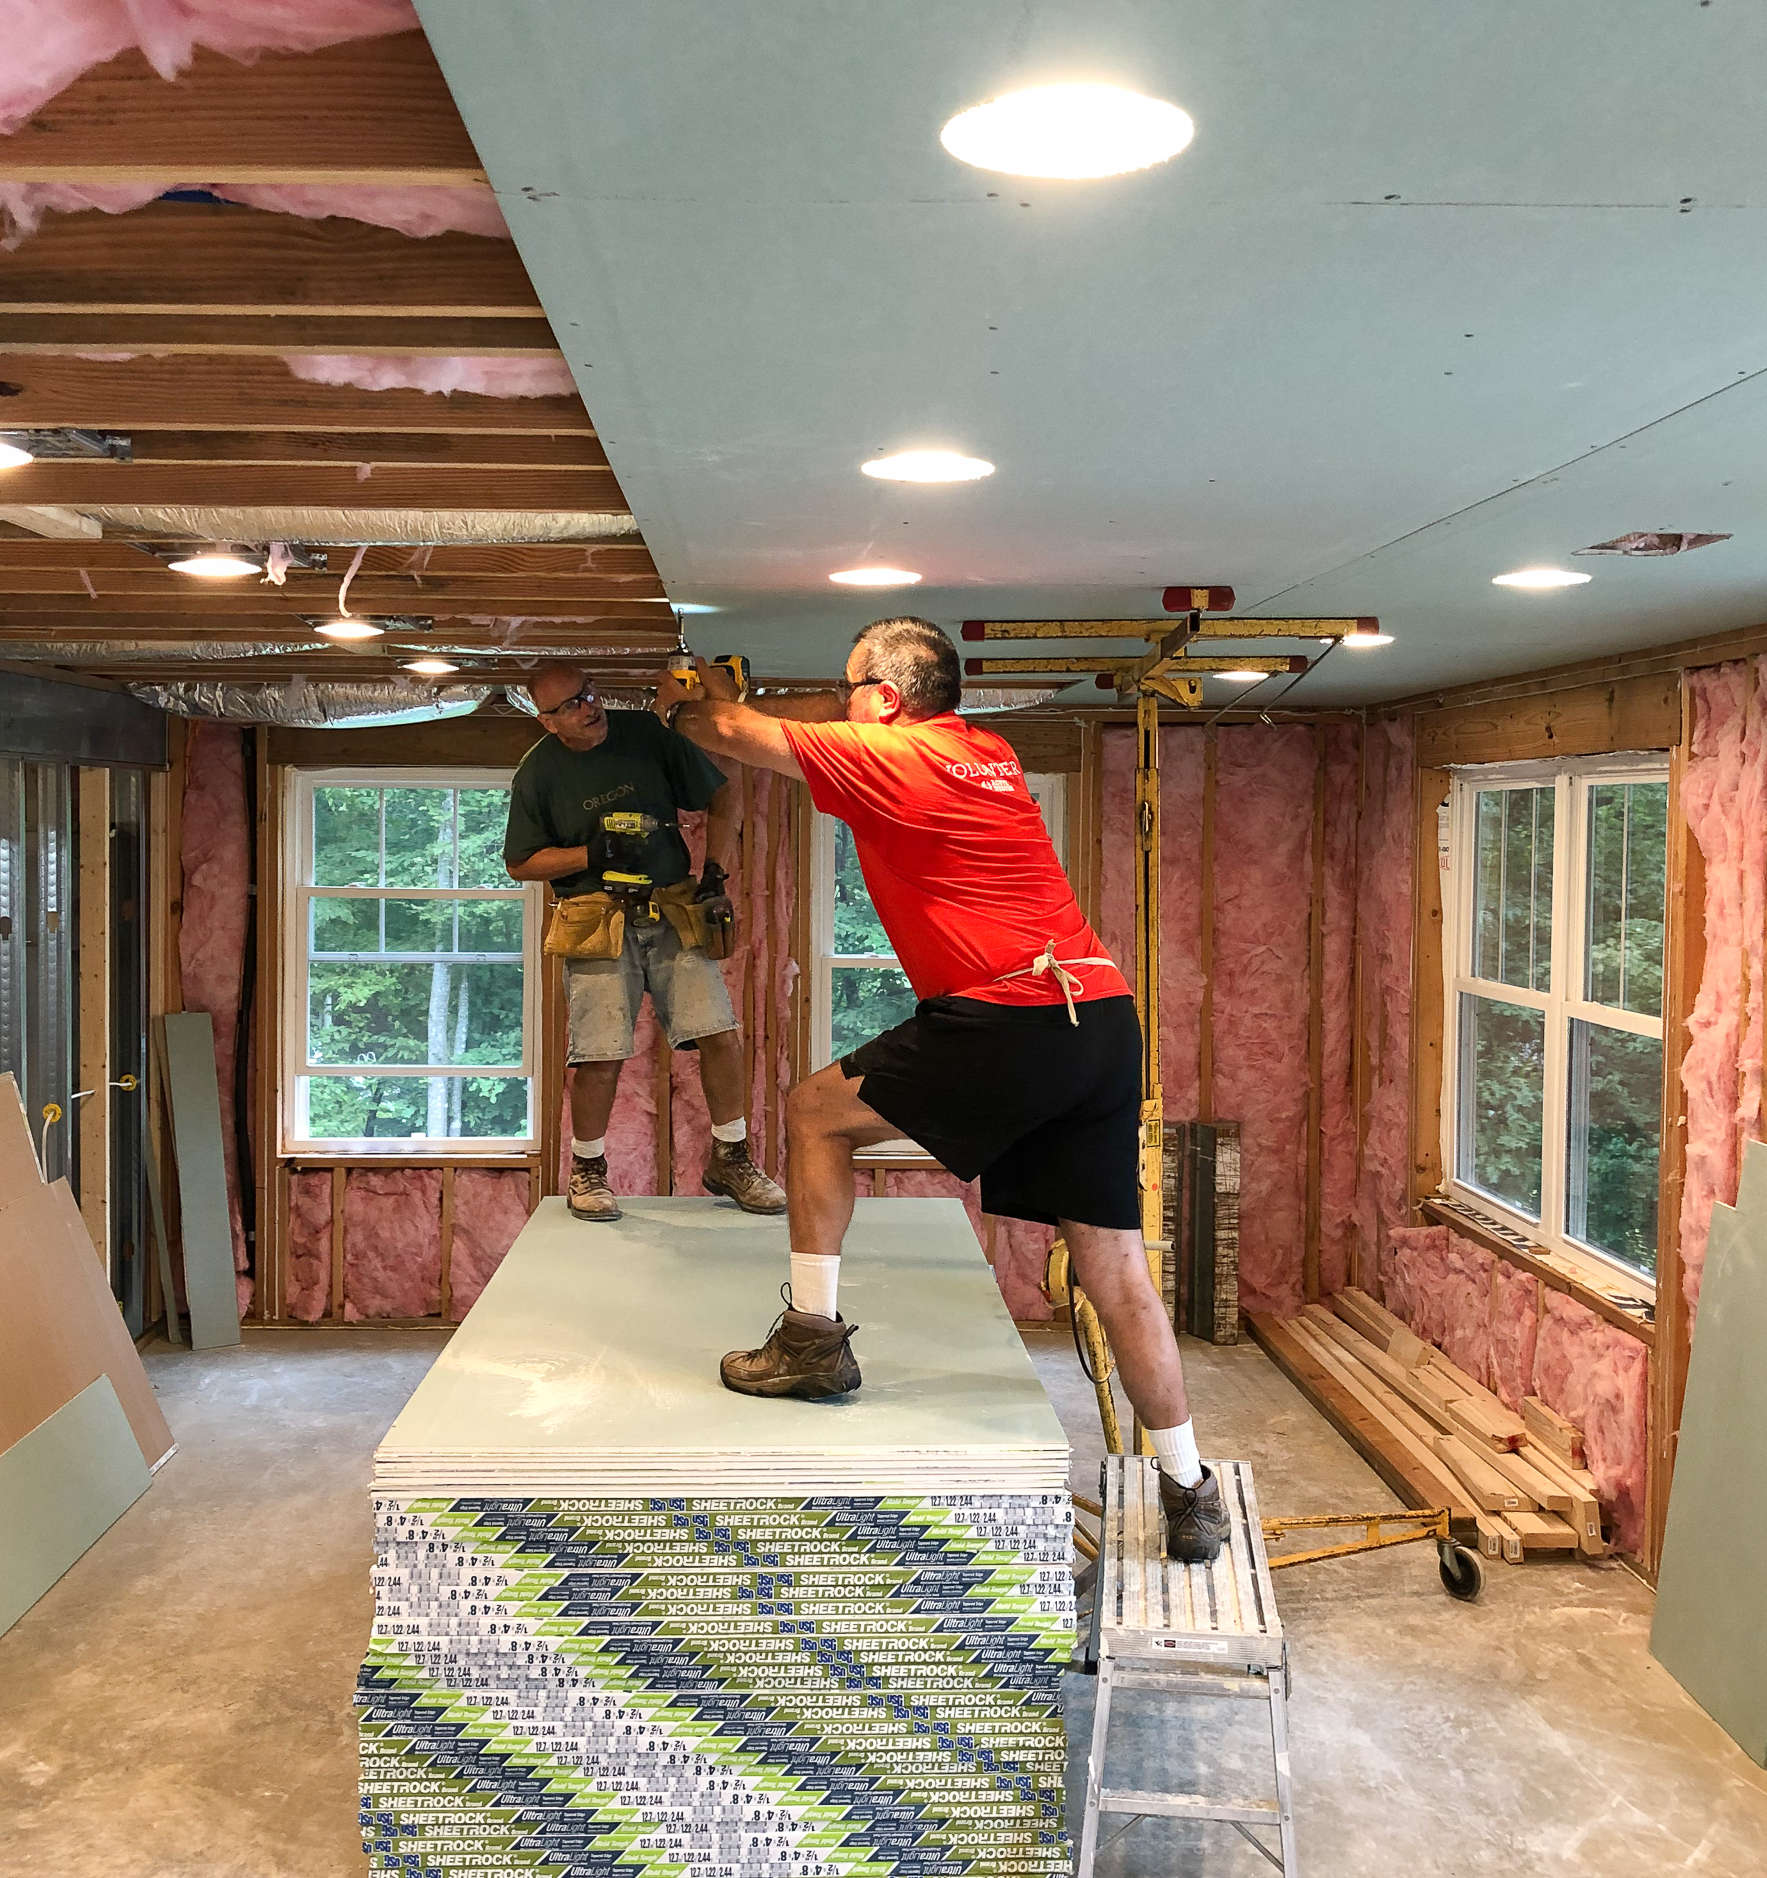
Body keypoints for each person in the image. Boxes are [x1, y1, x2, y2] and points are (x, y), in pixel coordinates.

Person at [653, 617, 1230, 1562]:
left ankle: (810, 1341)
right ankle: (1188, 1487)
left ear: (884, 700)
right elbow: (813, 722)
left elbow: (722, 738)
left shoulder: (894, 761)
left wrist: (690, 704)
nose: (843, 702)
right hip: (1100, 1018)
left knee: (811, 1113)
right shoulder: (984, 748)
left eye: (851, 688)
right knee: (1117, 1271)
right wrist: (750, 699)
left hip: (1009, 1017)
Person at [504, 659, 785, 1224]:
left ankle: (731, 1158)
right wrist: (592, 855)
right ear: (546, 721)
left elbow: (722, 794)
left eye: (589, 694)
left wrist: (715, 872)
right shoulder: (537, 775)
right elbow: (522, 863)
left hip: (674, 905)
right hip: (595, 917)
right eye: (572, 706)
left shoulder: (644, 735)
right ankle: (587, 1171)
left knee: (719, 1033)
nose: (589, 709)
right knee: (601, 1053)